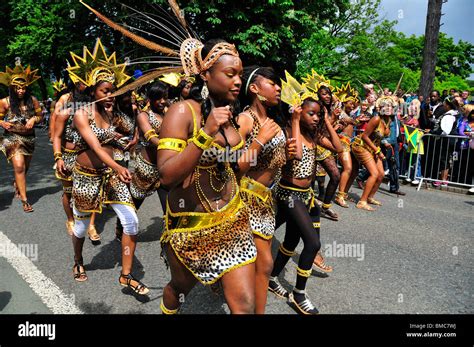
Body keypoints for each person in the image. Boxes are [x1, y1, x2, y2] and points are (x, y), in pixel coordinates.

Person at [67, 39, 148, 296]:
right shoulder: (82, 114)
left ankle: (126, 275)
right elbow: (96, 147)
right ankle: (78, 260)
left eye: (112, 90)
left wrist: (132, 132)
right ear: (93, 91)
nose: (109, 95)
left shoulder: (114, 114)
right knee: (80, 228)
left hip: (112, 174)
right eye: (104, 90)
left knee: (131, 222)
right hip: (88, 176)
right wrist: (119, 165)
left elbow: (132, 133)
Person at [236, 66, 297, 313]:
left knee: (259, 263)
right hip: (245, 197)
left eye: (277, 84)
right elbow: (234, 166)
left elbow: (275, 160)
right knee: (264, 263)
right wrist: (260, 140)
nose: (278, 88)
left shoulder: (271, 120)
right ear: (254, 89)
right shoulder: (245, 120)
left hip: (266, 198)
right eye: (272, 83)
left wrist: (287, 153)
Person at [269, 96, 325, 315]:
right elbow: (297, 155)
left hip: (304, 195)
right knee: (312, 243)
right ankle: (299, 293)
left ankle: (272, 278)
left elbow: (339, 147)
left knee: (291, 240)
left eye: (318, 114)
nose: (316, 118)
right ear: (299, 113)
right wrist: (294, 120)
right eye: (311, 113)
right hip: (289, 193)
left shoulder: (313, 135)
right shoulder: (287, 132)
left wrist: (327, 119)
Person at [52, 71, 91, 236]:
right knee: (69, 191)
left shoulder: (94, 105)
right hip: (67, 154)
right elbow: (57, 134)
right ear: (76, 84)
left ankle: (90, 224)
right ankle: (70, 219)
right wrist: (58, 156)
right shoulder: (65, 104)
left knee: (89, 190)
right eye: (84, 82)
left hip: (87, 154)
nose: (88, 85)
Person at [0, 64, 43, 212]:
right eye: (17, 88)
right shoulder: (4, 102)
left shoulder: (32, 100)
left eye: (23, 88)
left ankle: (17, 183)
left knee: (25, 167)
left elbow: (40, 116)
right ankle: (25, 200)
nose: (20, 91)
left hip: (29, 139)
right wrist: (2, 122)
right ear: (12, 87)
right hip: (12, 137)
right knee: (19, 166)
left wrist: (33, 120)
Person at [351, 96, 392, 210]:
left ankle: (369, 197)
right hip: (362, 146)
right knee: (374, 174)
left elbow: (381, 136)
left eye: (390, 106)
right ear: (380, 108)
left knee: (381, 175)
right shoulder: (376, 119)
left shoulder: (388, 120)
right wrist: (377, 150)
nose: (388, 108)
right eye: (385, 106)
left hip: (374, 149)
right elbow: (364, 136)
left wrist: (382, 145)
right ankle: (362, 202)